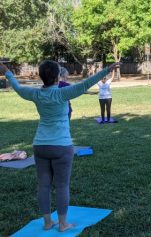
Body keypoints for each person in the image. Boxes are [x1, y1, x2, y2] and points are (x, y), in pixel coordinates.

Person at [0, 60, 120, 232]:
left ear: (41, 77)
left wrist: (7, 72)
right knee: (62, 186)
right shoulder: (63, 93)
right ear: (57, 77)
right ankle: (63, 224)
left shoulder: (36, 94)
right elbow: (87, 83)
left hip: (40, 145)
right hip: (61, 146)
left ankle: (48, 222)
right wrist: (107, 70)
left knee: (43, 185)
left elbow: (18, 88)